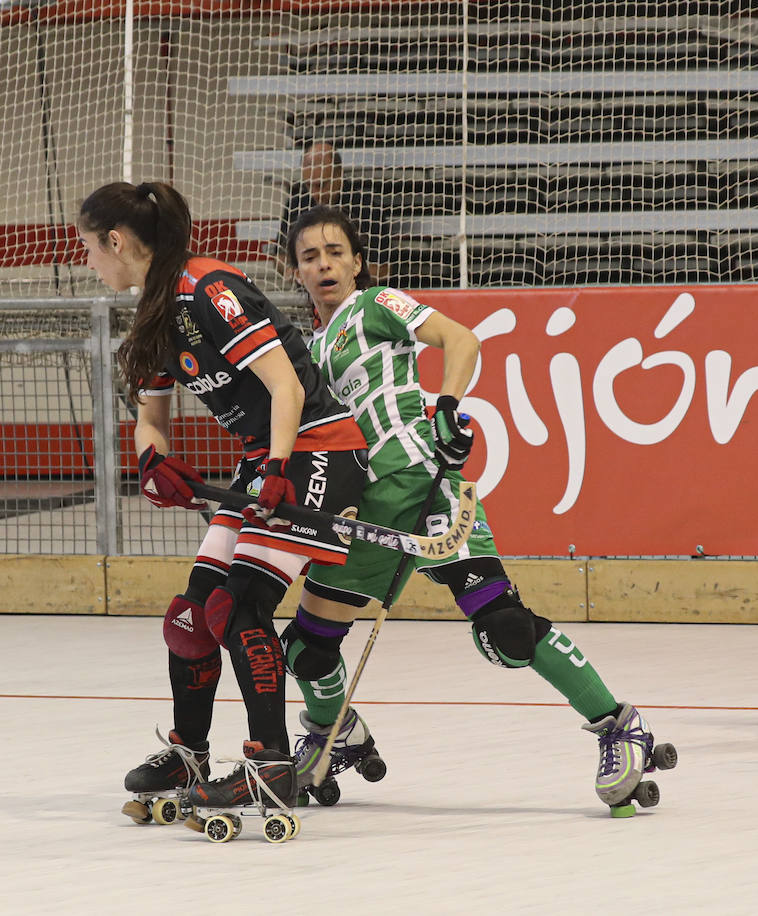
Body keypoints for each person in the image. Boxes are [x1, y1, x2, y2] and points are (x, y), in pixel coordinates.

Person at [283, 205, 669, 811]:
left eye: (335, 252)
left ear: (357, 262)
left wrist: (446, 407)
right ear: (296, 273)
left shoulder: (377, 304)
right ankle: (335, 734)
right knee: (307, 648)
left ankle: (620, 726)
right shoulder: (308, 349)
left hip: (425, 482)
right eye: (310, 257)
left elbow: (460, 338)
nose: (325, 264)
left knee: (506, 630)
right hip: (364, 506)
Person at [79, 181, 370, 816]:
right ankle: (190, 751)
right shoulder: (154, 315)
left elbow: (287, 389)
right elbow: (150, 418)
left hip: (318, 448)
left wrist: (274, 469)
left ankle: (270, 764)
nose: (87, 262)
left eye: (89, 249)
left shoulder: (209, 290)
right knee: (191, 614)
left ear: (116, 240)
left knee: (240, 608)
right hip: (261, 461)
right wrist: (151, 460)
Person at [275, 140, 393, 285]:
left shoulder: (367, 209)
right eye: (308, 185)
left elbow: (383, 269)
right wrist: (292, 270)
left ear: (338, 174)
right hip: (307, 294)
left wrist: (338, 275)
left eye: (321, 184)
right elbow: (280, 256)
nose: (315, 193)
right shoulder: (297, 204)